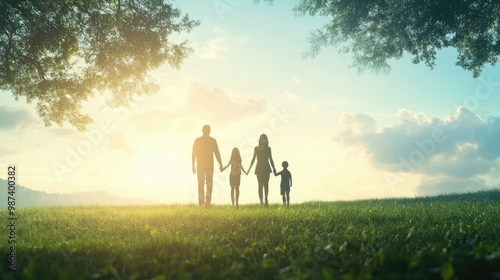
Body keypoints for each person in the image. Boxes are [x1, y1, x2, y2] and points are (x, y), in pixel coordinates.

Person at [192, 125, 223, 208]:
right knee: (208, 183)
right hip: (206, 165)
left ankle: (203, 202)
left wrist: (193, 165)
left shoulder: (199, 140)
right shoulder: (211, 140)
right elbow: (217, 153)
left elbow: (194, 154)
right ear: (209, 131)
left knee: (202, 183)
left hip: (203, 165)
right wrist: (220, 164)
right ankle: (206, 202)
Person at [247, 134, 276, 206]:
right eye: (261, 138)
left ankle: (266, 199)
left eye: (263, 138)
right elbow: (253, 159)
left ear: (266, 140)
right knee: (260, 185)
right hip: (259, 168)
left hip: (266, 168)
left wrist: (274, 168)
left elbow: (271, 159)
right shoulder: (256, 148)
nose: (262, 139)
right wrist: (249, 169)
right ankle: (261, 201)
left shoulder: (268, 149)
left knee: (266, 184)